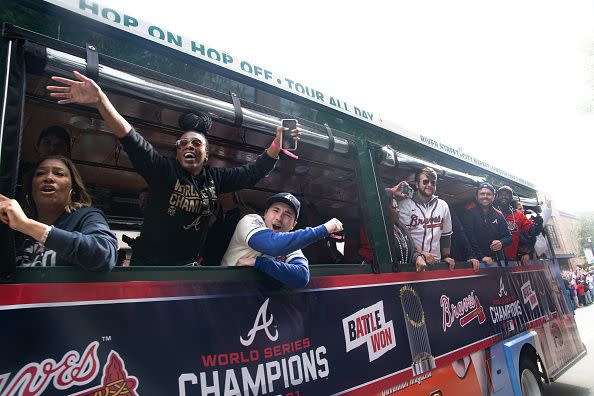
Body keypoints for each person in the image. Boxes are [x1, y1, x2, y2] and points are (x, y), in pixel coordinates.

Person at [48, 71, 299, 266]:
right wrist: (101, 101)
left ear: (206, 153)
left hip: (185, 269)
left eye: (196, 143)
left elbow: (254, 172)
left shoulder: (216, 179)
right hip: (147, 268)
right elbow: (130, 138)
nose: (189, 146)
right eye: (183, 144)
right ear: (177, 151)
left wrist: (277, 143)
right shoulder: (163, 170)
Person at [0, 156, 116, 271]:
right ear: (31, 189)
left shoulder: (87, 216)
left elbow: (105, 255)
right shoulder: (11, 225)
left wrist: (26, 225)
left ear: (72, 190)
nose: (49, 178)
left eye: (59, 174)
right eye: (40, 173)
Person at [221, 193, 343, 287]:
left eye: (287, 214)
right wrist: (323, 229)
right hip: (221, 292)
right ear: (266, 213)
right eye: (275, 210)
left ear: (293, 225)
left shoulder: (289, 244)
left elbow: (302, 277)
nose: (279, 218)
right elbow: (273, 245)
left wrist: (259, 263)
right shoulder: (251, 220)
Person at [389, 167, 456, 271]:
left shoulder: (443, 206)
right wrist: (420, 253)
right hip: (413, 263)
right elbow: (404, 237)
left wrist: (446, 256)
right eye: (425, 181)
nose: (429, 185)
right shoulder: (404, 204)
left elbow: (446, 236)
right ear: (416, 184)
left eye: (433, 183)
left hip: (436, 263)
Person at [462, 182, 512, 267]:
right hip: (473, 261)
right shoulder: (469, 213)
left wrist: (501, 242)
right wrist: (481, 257)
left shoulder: (499, 215)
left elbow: (508, 237)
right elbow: (467, 237)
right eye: (482, 194)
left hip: (493, 262)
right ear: (477, 197)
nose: (485, 196)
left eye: (488, 194)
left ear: (493, 197)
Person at [494, 186, 543, 264]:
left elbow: (531, 231)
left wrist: (538, 226)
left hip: (512, 260)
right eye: (502, 194)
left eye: (507, 194)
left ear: (511, 197)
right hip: (493, 259)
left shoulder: (519, 215)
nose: (504, 196)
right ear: (497, 196)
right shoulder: (491, 211)